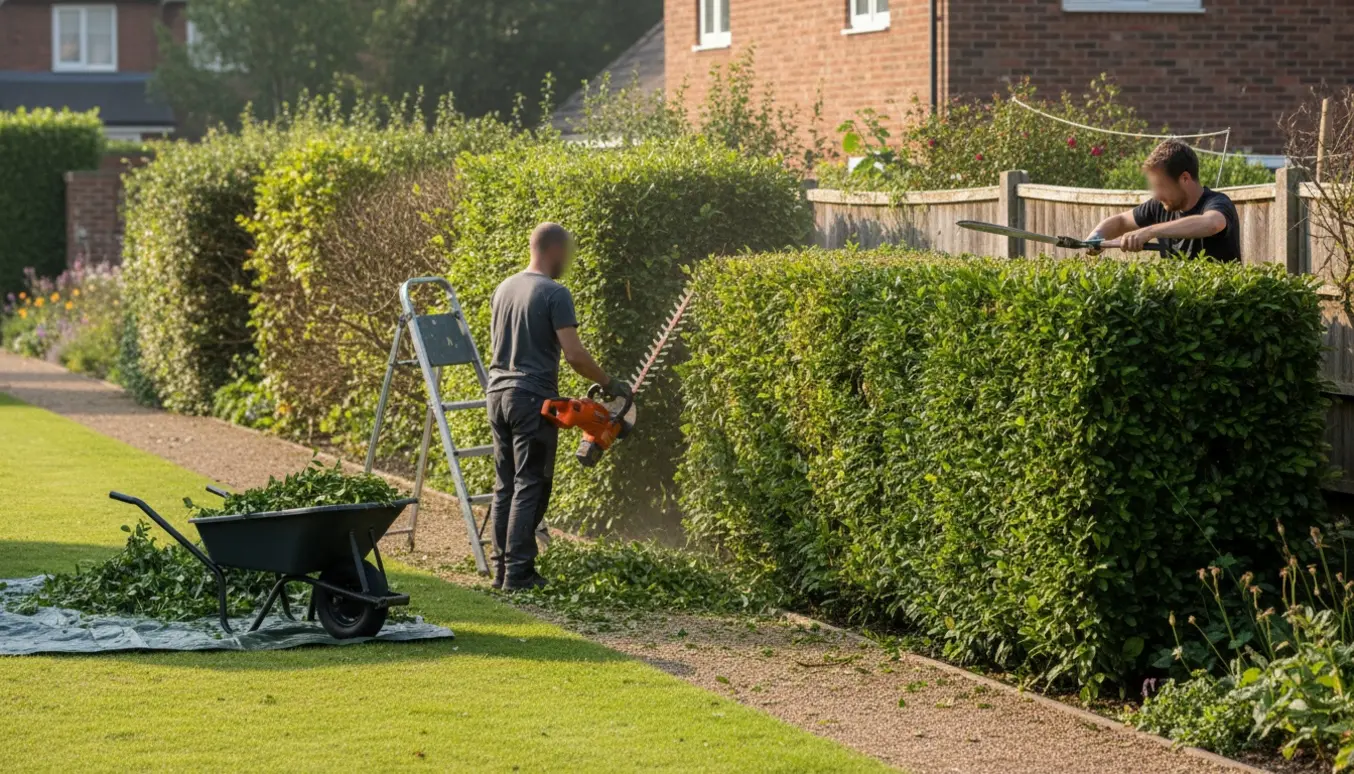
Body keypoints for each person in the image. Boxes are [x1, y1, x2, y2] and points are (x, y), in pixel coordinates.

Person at [484, 222, 631, 591]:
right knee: (530, 482)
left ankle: (502, 570)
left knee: (505, 485)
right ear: (555, 250)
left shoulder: (504, 288)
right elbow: (576, 356)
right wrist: (610, 384)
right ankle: (519, 574)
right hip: (531, 398)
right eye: (568, 252)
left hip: (497, 394)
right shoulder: (554, 293)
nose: (568, 259)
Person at [1085, 139, 1241, 262]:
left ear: (1185, 178)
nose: (1157, 195)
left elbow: (1212, 223)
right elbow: (1121, 221)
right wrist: (1096, 236)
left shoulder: (1218, 202)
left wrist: (1150, 231)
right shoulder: (1160, 205)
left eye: (1161, 186)